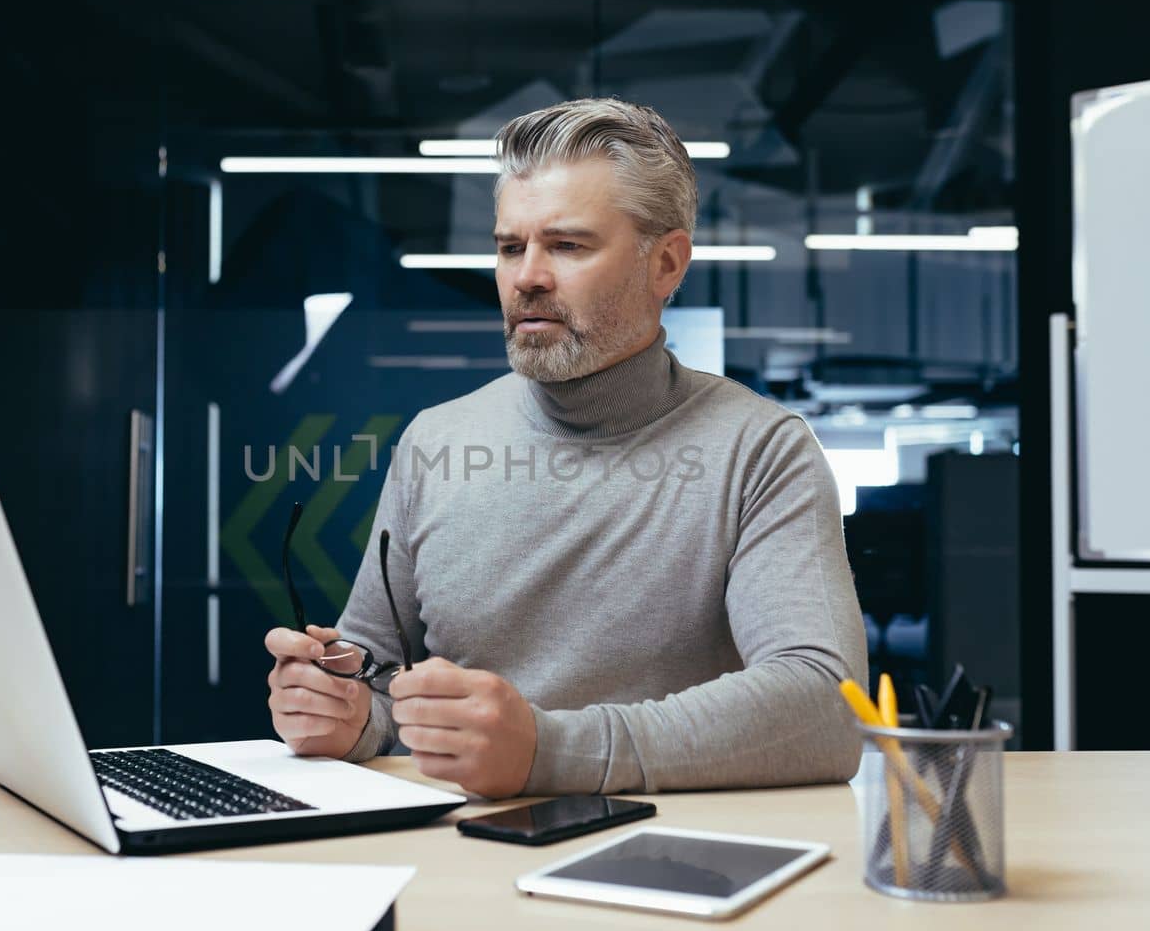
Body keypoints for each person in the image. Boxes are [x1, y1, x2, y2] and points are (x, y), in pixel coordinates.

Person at [264, 97, 867, 799]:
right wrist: (341, 710)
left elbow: (827, 705)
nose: (527, 277)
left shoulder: (761, 451)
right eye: (509, 246)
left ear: (666, 264)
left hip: (678, 866)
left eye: (568, 245)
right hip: (461, 858)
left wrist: (548, 750)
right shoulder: (435, 440)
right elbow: (375, 684)